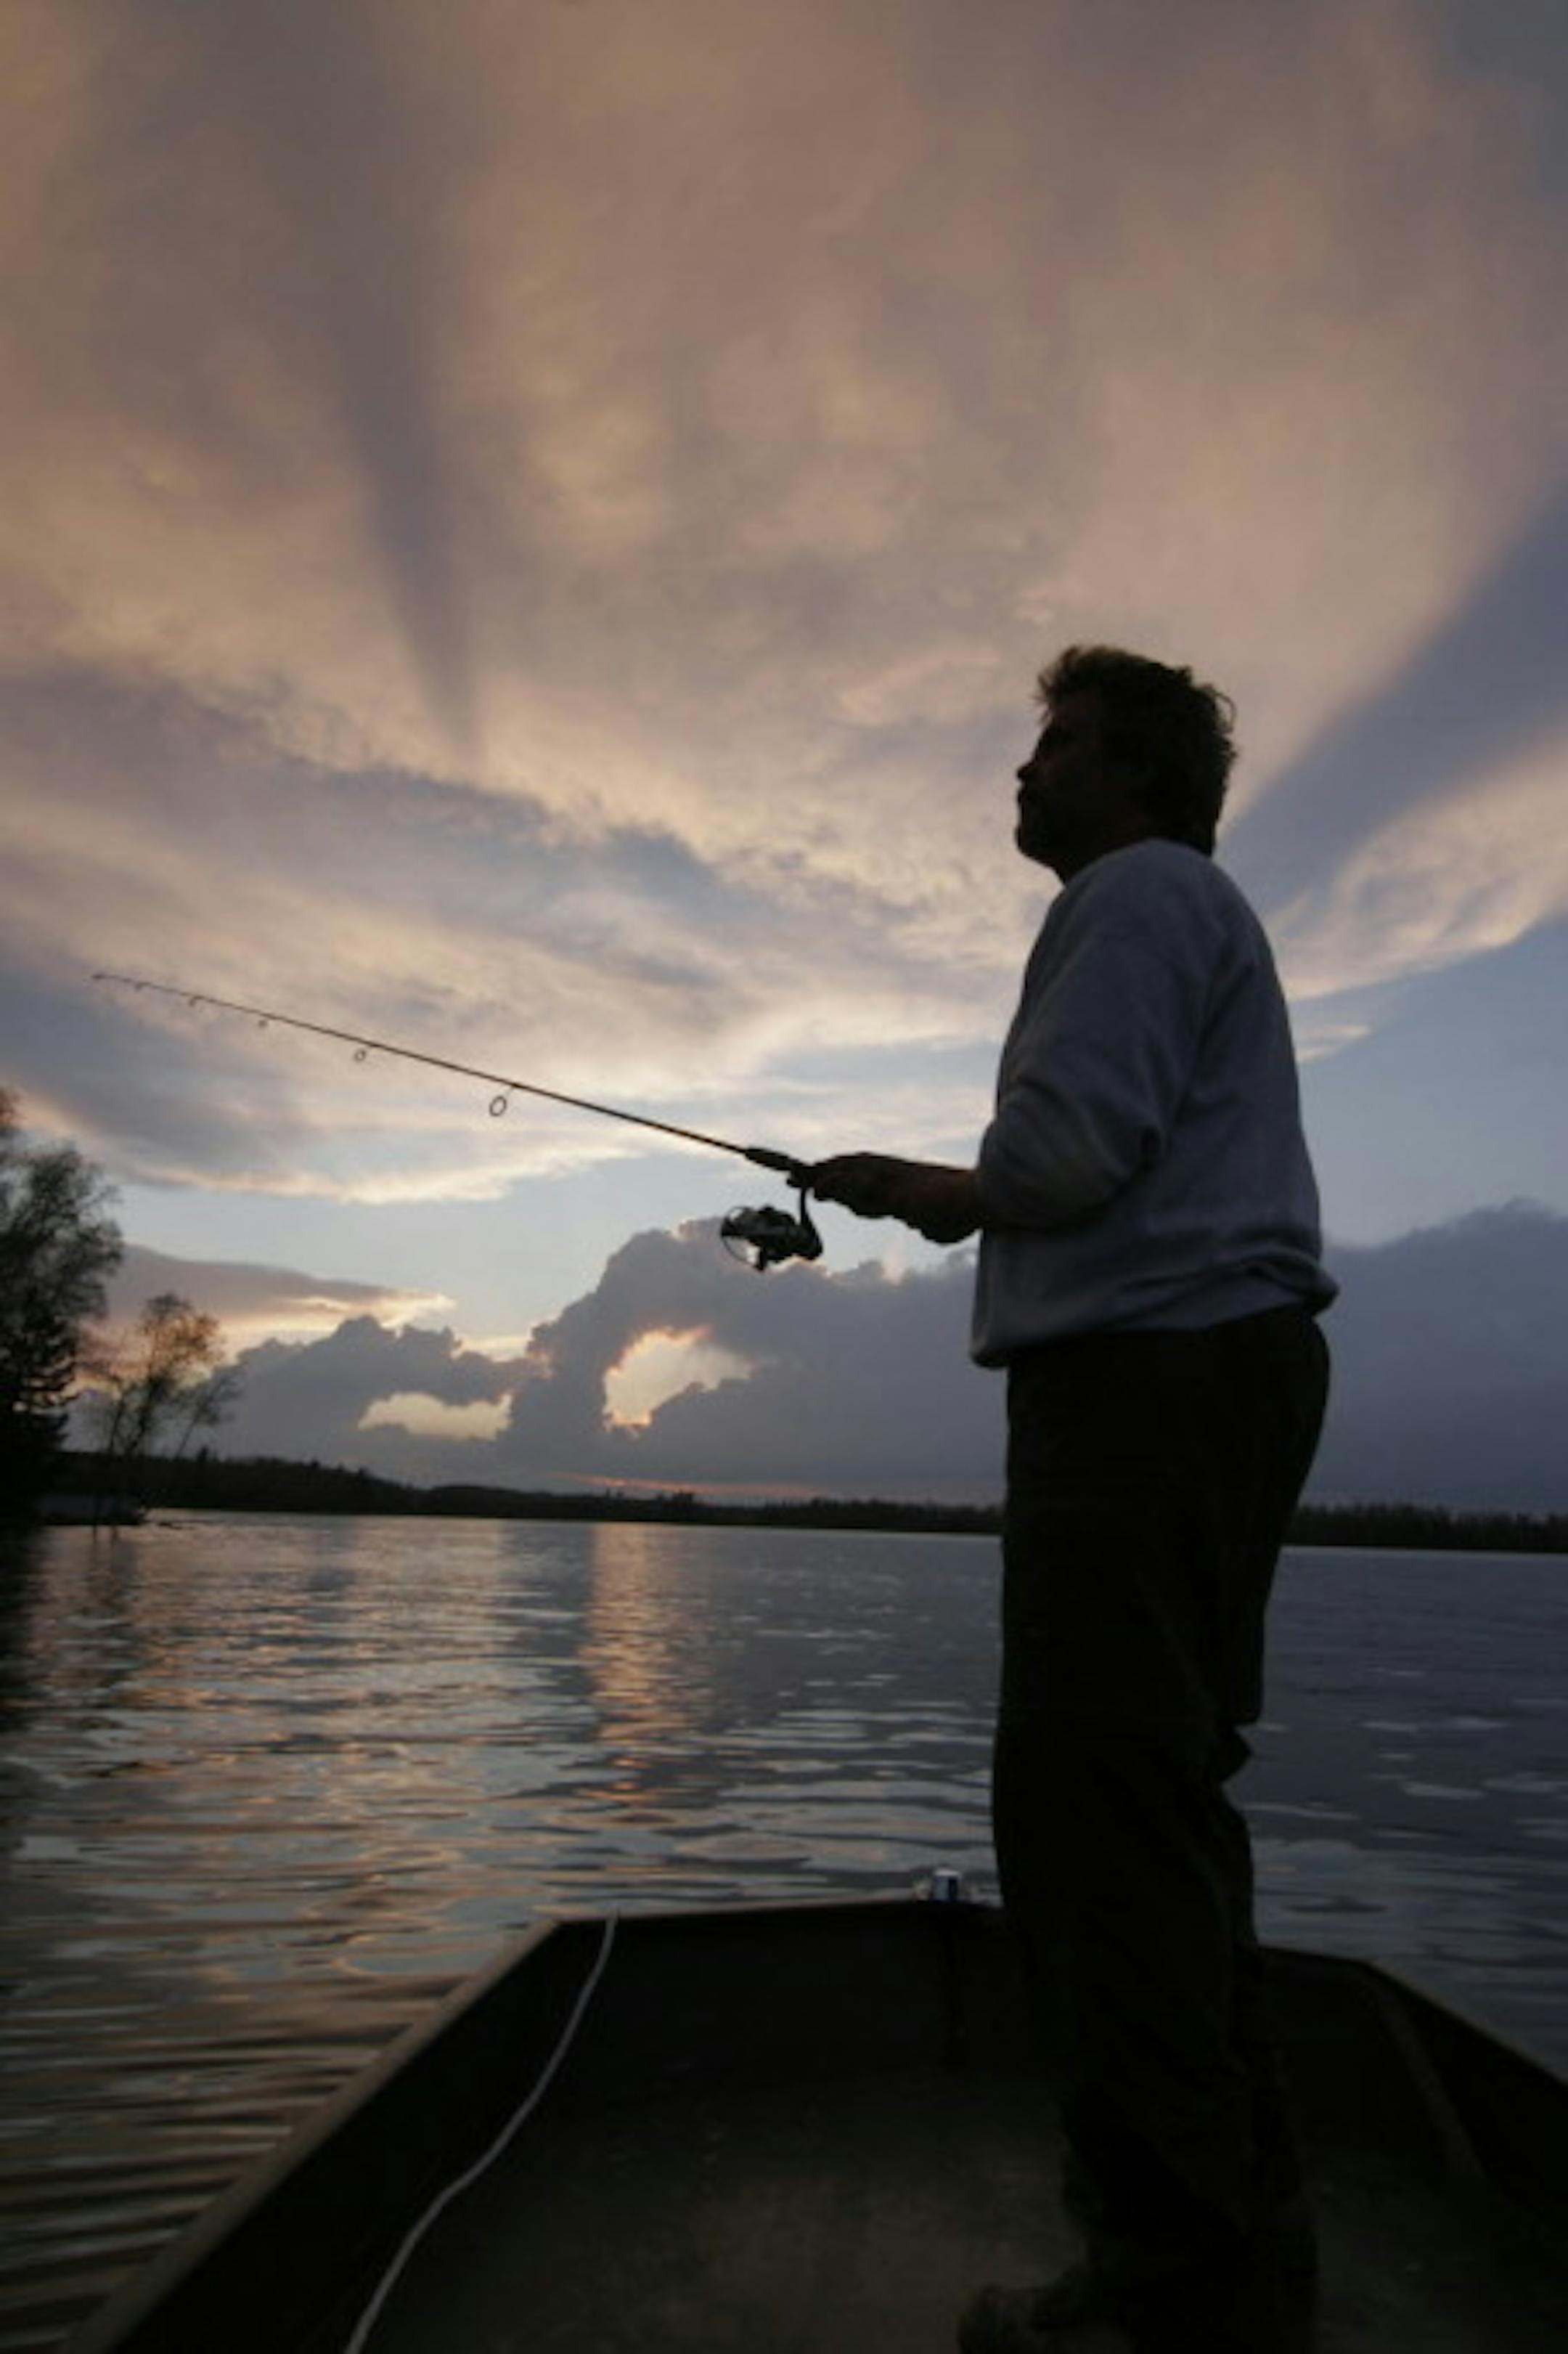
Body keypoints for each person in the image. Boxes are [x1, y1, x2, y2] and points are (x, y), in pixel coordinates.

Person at [811, 645, 1336, 2354]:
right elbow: (1074, 1169)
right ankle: (1239, 2269)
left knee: (1100, 1834)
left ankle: (1170, 2290)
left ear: (1139, 780)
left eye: (1054, 752)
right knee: (1164, 1818)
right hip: (1213, 1383)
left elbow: (1058, 1162)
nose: (1021, 781)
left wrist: (944, 1186)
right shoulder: (1192, 912)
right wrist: (931, 1191)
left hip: (1149, 1394)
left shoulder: (1129, 900)